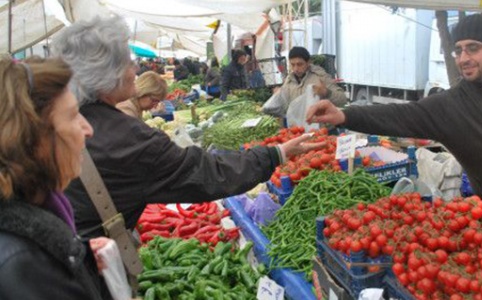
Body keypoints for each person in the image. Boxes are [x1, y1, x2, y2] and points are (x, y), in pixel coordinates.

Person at [52, 17, 324, 297]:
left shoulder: (56, 120)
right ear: (104, 73)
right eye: (127, 61)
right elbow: (205, 173)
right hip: (82, 278)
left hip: (60, 264)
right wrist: (276, 154)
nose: (135, 69)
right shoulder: (127, 139)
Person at [306, 14, 482, 217]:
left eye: (473, 48)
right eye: (458, 50)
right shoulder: (450, 106)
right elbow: (398, 115)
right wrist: (344, 116)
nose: (463, 58)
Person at [0, 56, 107, 299]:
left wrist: (82, 260)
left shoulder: (26, 224)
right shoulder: (23, 268)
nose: (88, 129)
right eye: (72, 116)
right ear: (33, 139)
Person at [280, 46, 347, 109]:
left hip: (316, 120)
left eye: (300, 64)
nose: (296, 69)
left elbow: (342, 100)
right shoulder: (289, 80)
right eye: (292, 65)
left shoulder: (320, 77)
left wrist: (327, 93)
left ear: (308, 62)